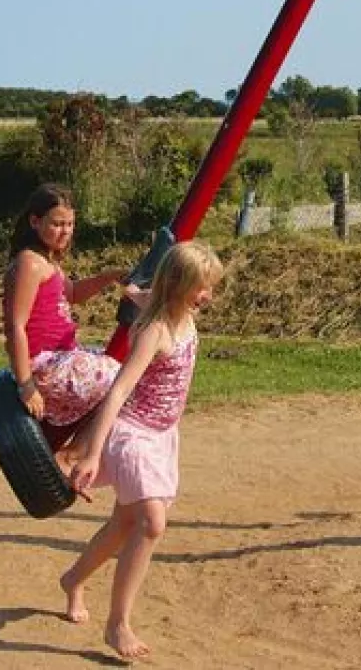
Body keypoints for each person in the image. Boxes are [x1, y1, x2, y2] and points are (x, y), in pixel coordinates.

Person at [62, 239, 223, 663]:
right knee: (152, 523)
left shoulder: (177, 309)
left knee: (123, 525)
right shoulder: (156, 330)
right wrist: (92, 455)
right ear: (178, 285)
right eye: (202, 287)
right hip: (132, 433)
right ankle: (118, 624)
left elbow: (139, 293)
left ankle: (73, 579)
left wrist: (130, 290)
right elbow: (117, 394)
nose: (208, 296)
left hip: (162, 435)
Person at [3, 184, 141, 440]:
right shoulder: (29, 263)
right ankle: (76, 453)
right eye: (57, 224)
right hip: (44, 366)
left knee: (127, 367)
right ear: (35, 221)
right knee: (120, 377)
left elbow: (73, 294)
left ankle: (84, 446)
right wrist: (26, 385)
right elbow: (15, 326)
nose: (64, 231)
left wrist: (108, 277)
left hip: (61, 356)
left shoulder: (49, 261)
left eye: (69, 224)